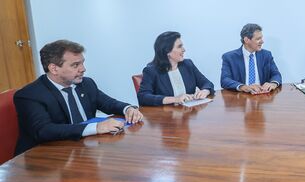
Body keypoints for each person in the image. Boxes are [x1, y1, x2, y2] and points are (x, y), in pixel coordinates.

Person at [13, 40, 143, 155]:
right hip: (44, 160)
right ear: (54, 68)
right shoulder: (30, 95)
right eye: (75, 65)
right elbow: (44, 130)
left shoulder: (86, 84)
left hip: (82, 150)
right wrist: (96, 128)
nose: (83, 69)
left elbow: (108, 103)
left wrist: (128, 109)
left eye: (82, 63)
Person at [138, 31, 214, 106]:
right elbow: (143, 97)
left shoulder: (188, 64)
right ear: (167, 51)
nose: (184, 50)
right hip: (165, 116)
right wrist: (174, 99)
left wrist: (205, 91)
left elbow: (207, 83)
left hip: (189, 114)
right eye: (179, 46)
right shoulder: (151, 71)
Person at [220, 23, 282, 94]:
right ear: (246, 40)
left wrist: (273, 84)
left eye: (261, 38)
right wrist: (243, 87)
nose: (262, 41)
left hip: (263, 97)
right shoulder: (229, 57)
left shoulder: (266, 55)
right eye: (258, 39)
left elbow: (276, 74)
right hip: (240, 98)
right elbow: (224, 80)